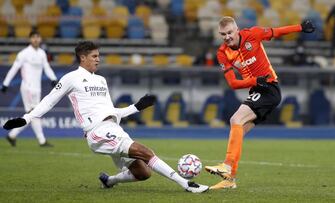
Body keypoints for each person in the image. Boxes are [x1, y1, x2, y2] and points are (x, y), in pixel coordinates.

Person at [2, 41, 209, 193]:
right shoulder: (71, 78)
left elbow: (112, 112)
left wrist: (137, 107)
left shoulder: (101, 80)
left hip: (113, 129)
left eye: (98, 56)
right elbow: (48, 101)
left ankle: (109, 180)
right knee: (145, 151)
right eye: (94, 56)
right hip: (96, 132)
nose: (98, 59)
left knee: (144, 173)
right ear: (82, 58)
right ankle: (186, 184)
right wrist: (26, 118)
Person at [204, 16, 315, 189]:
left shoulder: (253, 34)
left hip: (270, 88)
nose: (227, 37)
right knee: (239, 130)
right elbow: (233, 83)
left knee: (235, 120)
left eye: (230, 32)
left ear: (237, 29)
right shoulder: (222, 53)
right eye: (223, 34)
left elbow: (276, 32)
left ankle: (226, 165)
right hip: (257, 89)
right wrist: (255, 81)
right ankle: (230, 179)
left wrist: (300, 27)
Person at [1, 30, 58, 147]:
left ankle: (12, 135)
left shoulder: (42, 53)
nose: (36, 39)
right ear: (30, 39)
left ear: (41, 39)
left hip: (37, 88)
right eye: (33, 37)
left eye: (38, 37)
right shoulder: (24, 54)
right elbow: (14, 69)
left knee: (32, 114)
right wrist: (6, 84)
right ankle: (42, 141)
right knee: (34, 113)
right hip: (27, 87)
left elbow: (46, 67)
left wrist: (53, 79)